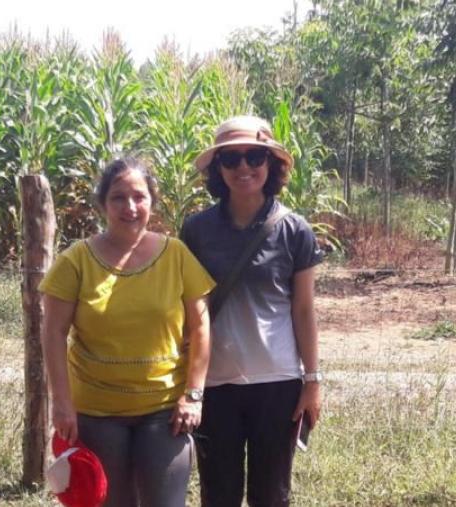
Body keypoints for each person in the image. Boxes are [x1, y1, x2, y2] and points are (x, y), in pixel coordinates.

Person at [39, 157, 215, 507]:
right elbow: (53, 333)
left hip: (165, 412)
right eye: (118, 197)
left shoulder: (176, 255)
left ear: (152, 201)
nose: (130, 207)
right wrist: (61, 404)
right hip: (96, 414)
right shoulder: (76, 261)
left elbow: (201, 325)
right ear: (103, 204)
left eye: (139, 197)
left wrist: (193, 395)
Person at [180, 116, 324, 507]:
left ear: (271, 163)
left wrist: (312, 381)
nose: (243, 167)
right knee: (218, 494)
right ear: (218, 168)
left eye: (254, 157)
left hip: (278, 385)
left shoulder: (294, 229)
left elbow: (304, 309)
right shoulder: (196, 231)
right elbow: (187, 308)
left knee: (271, 495)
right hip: (215, 385)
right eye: (231, 159)